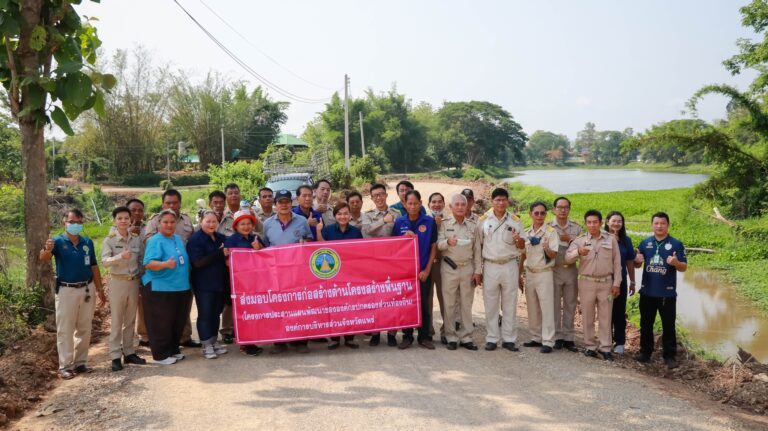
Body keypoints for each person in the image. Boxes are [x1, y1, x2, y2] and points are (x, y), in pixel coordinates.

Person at [40, 209, 106, 380]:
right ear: (64, 222)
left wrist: (100, 289)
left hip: (86, 288)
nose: (75, 225)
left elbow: (93, 266)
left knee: (84, 327)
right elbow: (44, 258)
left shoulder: (87, 242)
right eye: (71, 221)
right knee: (65, 329)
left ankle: (81, 362)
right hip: (66, 290)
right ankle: (65, 366)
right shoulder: (56, 241)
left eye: (78, 222)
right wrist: (47, 249)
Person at [144, 189, 199, 349]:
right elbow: (149, 246)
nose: (172, 205)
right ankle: (160, 346)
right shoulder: (155, 224)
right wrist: (165, 260)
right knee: (164, 316)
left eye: (175, 202)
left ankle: (183, 338)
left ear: (180, 203)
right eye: (168, 203)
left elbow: (193, 241)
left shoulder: (185, 223)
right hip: (163, 278)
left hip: (182, 275)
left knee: (182, 310)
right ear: (163, 204)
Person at [565, 210, 622, 361]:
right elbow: (567, 258)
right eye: (589, 222)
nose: (592, 225)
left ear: (600, 222)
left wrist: (617, 283)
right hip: (586, 282)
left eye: (595, 222)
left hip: (606, 283)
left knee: (605, 316)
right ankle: (590, 346)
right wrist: (578, 251)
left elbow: (617, 263)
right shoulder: (580, 240)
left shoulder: (610, 239)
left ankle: (605, 348)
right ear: (585, 224)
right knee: (588, 316)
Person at [474, 188, 525, 352]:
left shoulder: (515, 220)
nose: (501, 203)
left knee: (510, 303)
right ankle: (492, 338)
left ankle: (509, 339)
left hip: (510, 264)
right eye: (497, 200)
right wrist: (477, 270)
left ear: (508, 201)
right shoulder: (483, 220)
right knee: (490, 303)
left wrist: (519, 241)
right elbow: (477, 247)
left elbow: (523, 247)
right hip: (490, 265)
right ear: (492, 202)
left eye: (504, 200)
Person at [262, 190, 314, 354]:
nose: (283, 205)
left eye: (286, 202)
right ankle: (280, 342)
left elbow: (310, 241)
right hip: (276, 273)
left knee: (299, 305)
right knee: (278, 306)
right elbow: (265, 246)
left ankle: (300, 341)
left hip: (297, 273)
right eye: (280, 202)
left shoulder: (302, 221)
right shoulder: (268, 224)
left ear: (292, 203)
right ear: (275, 204)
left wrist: (305, 243)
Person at [634, 212, 687, 369]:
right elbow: (637, 264)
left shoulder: (676, 244)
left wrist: (676, 262)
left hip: (667, 294)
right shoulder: (645, 243)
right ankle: (645, 352)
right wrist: (637, 261)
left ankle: (669, 356)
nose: (659, 226)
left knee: (668, 326)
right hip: (647, 292)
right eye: (656, 223)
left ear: (668, 225)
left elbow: (684, 268)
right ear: (652, 225)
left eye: (662, 223)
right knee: (646, 324)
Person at [141, 209, 193, 365]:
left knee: (176, 322)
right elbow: (149, 263)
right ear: (158, 224)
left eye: (172, 222)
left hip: (179, 287)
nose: (169, 225)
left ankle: (172, 349)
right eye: (165, 222)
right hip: (160, 288)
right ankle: (161, 355)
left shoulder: (177, 238)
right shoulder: (155, 241)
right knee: (161, 323)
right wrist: (165, 264)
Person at [101, 206, 146, 371]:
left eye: (126, 218)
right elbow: (105, 262)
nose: (123, 221)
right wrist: (120, 256)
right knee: (117, 321)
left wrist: (142, 279)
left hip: (133, 282)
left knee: (130, 320)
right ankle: (115, 356)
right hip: (117, 282)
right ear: (115, 220)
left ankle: (129, 352)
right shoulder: (109, 240)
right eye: (120, 218)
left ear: (130, 220)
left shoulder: (135, 239)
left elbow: (140, 260)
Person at [392, 190, 437, 350]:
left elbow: (433, 247)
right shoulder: (399, 223)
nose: (412, 206)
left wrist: (427, 270)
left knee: (424, 304)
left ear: (420, 203)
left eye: (415, 203)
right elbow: (394, 248)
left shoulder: (429, 222)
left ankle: (424, 337)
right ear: (404, 204)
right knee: (407, 304)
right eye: (409, 203)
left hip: (423, 271)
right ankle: (407, 336)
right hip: (405, 273)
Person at [317, 202, 363, 350]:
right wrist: (318, 232)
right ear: (334, 216)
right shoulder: (328, 230)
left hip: (350, 275)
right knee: (334, 307)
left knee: (350, 306)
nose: (342, 216)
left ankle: (350, 337)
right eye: (339, 214)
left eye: (345, 213)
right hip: (332, 275)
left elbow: (362, 253)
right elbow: (320, 249)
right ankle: (335, 338)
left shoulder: (356, 232)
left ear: (350, 215)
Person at [437, 193, 479, 351]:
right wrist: (447, 242)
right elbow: (438, 244)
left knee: (466, 303)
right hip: (449, 267)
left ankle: (467, 336)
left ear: (467, 206)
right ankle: (451, 336)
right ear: (451, 207)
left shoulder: (473, 225)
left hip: (467, 267)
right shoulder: (444, 224)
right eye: (457, 204)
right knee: (449, 303)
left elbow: (477, 250)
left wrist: (478, 271)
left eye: (463, 204)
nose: (460, 207)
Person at [362, 183, 402, 346]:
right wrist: (383, 221)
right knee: (375, 297)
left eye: (381, 194)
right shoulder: (367, 215)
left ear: (386, 195)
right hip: (373, 262)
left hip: (392, 261)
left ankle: (392, 333)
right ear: (371, 198)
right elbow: (366, 231)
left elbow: (400, 232)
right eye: (375, 195)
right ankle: (375, 333)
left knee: (391, 297)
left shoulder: (397, 213)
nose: (379, 198)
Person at [187, 210, 230, 360]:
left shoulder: (220, 237)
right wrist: (219, 254)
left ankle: (213, 341)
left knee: (216, 313)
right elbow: (198, 262)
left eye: (214, 222)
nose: (211, 224)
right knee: (205, 314)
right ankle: (206, 345)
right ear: (201, 222)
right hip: (203, 284)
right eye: (208, 221)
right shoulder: (196, 239)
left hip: (219, 282)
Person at [223, 210, 265, 356]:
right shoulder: (232, 240)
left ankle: (252, 340)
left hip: (256, 282)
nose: (246, 227)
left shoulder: (256, 238)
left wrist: (258, 249)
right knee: (243, 313)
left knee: (254, 312)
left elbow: (267, 258)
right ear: (236, 226)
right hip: (240, 284)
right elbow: (228, 263)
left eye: (249, 224)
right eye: (242, 224)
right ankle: (245, 345)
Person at [520, 202, 559, 354]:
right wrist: (519, 274)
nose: (539, 216)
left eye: (542, 213)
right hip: (530, 272)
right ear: (530, 214)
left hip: (544, 272)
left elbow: (554, 255)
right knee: (532, 306)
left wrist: (546, 248)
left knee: (547, 307)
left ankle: (548, 340)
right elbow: (523, 252)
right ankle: (536, 337)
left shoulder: (550, 232)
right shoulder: (526, 232)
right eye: (536, 213)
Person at [549, 196, 583, 352]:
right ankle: (557, 337)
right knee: (555, 304)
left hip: (570, 269)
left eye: (566, 207)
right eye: (559, 207)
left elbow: (583, 245)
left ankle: (569, 337)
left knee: (570, 304)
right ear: (554, 209)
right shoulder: (549, 227)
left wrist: (570, 238)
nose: (562, 210)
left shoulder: (576, 228)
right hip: (554, 269)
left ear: (569, 209)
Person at [604, 211, 636, 355]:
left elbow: (629, 261)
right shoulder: (601, 237)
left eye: (619, 221)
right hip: (604, 280)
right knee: (605, 311)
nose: (616, 223)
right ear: (607, 222)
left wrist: (633, 281)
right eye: (613, 221)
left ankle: (619, 342)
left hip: (620, 281)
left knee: (619, 311)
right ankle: (606, 340)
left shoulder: (626, 241)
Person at [126, 198, 151, 347]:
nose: (137, 213)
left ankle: (145, 335)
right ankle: (127, 344)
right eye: (133, 210)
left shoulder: (148, 228)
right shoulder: (119, 230)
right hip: (126, 276)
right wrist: (130, 234)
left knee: (144, 305)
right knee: (128, 310)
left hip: (145, 272)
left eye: (140, 210)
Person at [428, 192, 450, 344]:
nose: (436, 205)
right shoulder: (423, 220)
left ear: (443, 204)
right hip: (428, 264)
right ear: (428, 205)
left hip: (444, 264)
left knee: (445, 299)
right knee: (427, 299)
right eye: (433, 202)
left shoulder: (449, 220)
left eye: (439, 202)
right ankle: (428, 331)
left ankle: (446, 331)